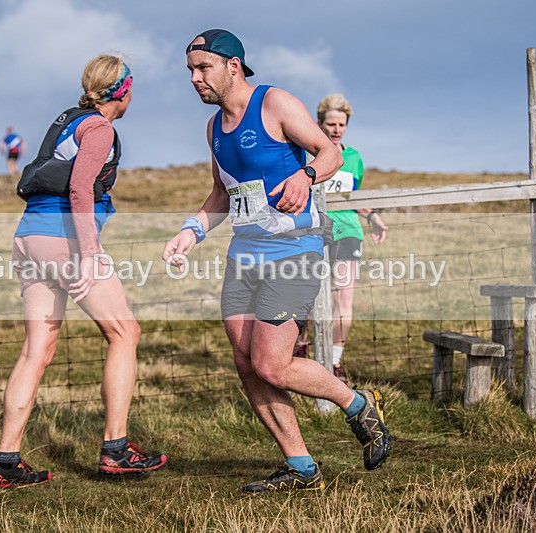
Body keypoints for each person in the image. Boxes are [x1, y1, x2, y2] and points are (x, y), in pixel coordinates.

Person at [163, 29, 390, 493]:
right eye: (189, 70)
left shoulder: (274, 103)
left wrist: (306, 177)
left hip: (294, 251)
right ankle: (300, 467)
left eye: (202, 67)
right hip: (243, 255)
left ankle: (357, 404)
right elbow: (222, 195)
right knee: (247, 364)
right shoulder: (213, 129)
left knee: (272, 363)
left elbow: (331, 152)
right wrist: (190, 232)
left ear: (232, 66)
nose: (194, 78)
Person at [0, 54, 167, 489]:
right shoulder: (100, 127)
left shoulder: (68, 119)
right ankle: (116, 449)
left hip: (28, 238)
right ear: (122, 91)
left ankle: (5, 462)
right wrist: (88, 253)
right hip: (64, 240)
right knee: (125, 333)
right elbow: (82, 187)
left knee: (36, 352)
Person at [294, 95, 389, 383]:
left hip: (348, 233)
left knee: (343, 298)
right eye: (331, 124)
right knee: (306, 299)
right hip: (313, 233)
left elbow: (353, 197)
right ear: (319, 123)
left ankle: (334, 363)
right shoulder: (306, 155)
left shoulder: (354, 159)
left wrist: (373, 217)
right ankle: (301, 348)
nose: (336, 129)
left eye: (341, 124)